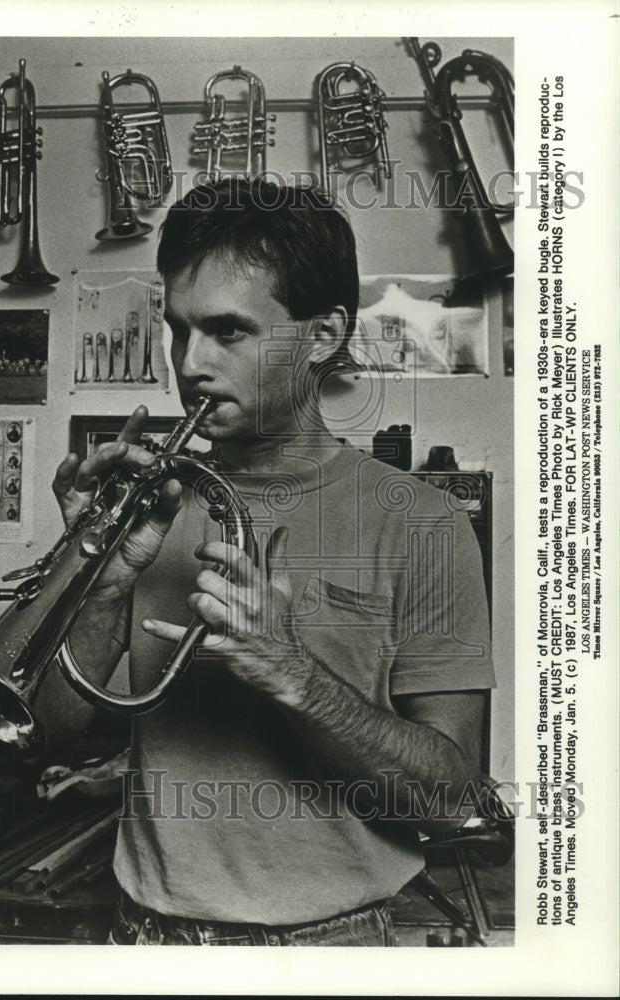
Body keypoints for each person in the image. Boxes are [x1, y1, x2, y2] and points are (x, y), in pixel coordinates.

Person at [51, 178, 495, 946]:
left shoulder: (422, 523)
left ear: (321, 335)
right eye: (178, 330)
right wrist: (96, 580)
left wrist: (293, 674)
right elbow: (49, 734)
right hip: (142, 935)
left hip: (333, 943)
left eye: (228, 332)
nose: (189, 363)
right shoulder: (145, 505)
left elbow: (450, 796)